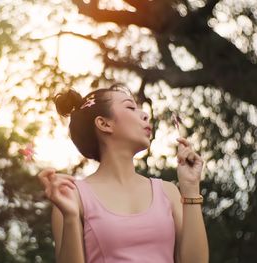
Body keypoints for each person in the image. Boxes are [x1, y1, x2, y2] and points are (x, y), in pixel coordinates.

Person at [37, 82, 209, 263]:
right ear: (104, 124)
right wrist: (71, 218)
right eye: (130, 107)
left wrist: (190, 187)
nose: (144, 114)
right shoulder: (72, 196)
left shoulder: (168, 192)